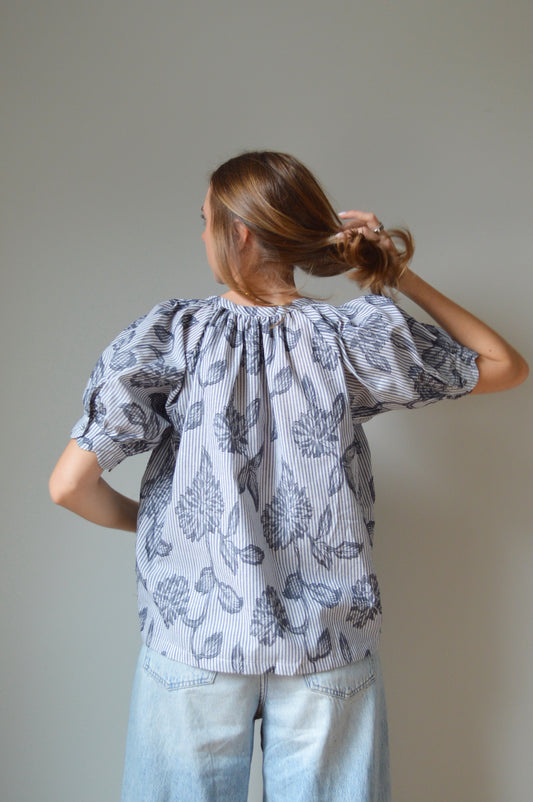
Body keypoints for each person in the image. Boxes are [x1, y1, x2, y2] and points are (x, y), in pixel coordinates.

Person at [49, 151, 528, 802]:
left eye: (204, 220)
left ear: (239, 232)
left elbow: (68, 486)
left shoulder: (172, 336)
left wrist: (152, 523)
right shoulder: (348, 335)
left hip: (196, 639)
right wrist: (397, 275)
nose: (200, 236)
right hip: (326, 642)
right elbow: (502, 364)